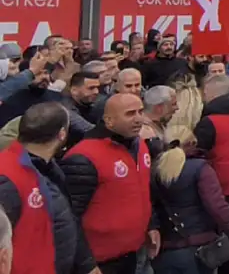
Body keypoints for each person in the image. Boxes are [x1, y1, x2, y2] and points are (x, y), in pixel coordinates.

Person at [61, 93, 158, 274]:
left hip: (136, 252)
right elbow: (70, 217)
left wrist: (152, 224)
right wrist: (85, 263)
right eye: (130, 114)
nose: (139, 119)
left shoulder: (139, 145)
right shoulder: (83, 157)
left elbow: (143, 190)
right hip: (102, 261)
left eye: (140, 111)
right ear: (109, 121)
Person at [0, 102, 96, 274]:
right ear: (62, 134)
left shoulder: (48, 169)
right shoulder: (7, 177)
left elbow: (65, 218)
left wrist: (86, 264)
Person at [151, 124, 229, 274]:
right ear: (192, 144)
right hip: (199, 248)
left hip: (164, 250)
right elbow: (216, 207)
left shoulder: (153, 170)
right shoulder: (200, 168)